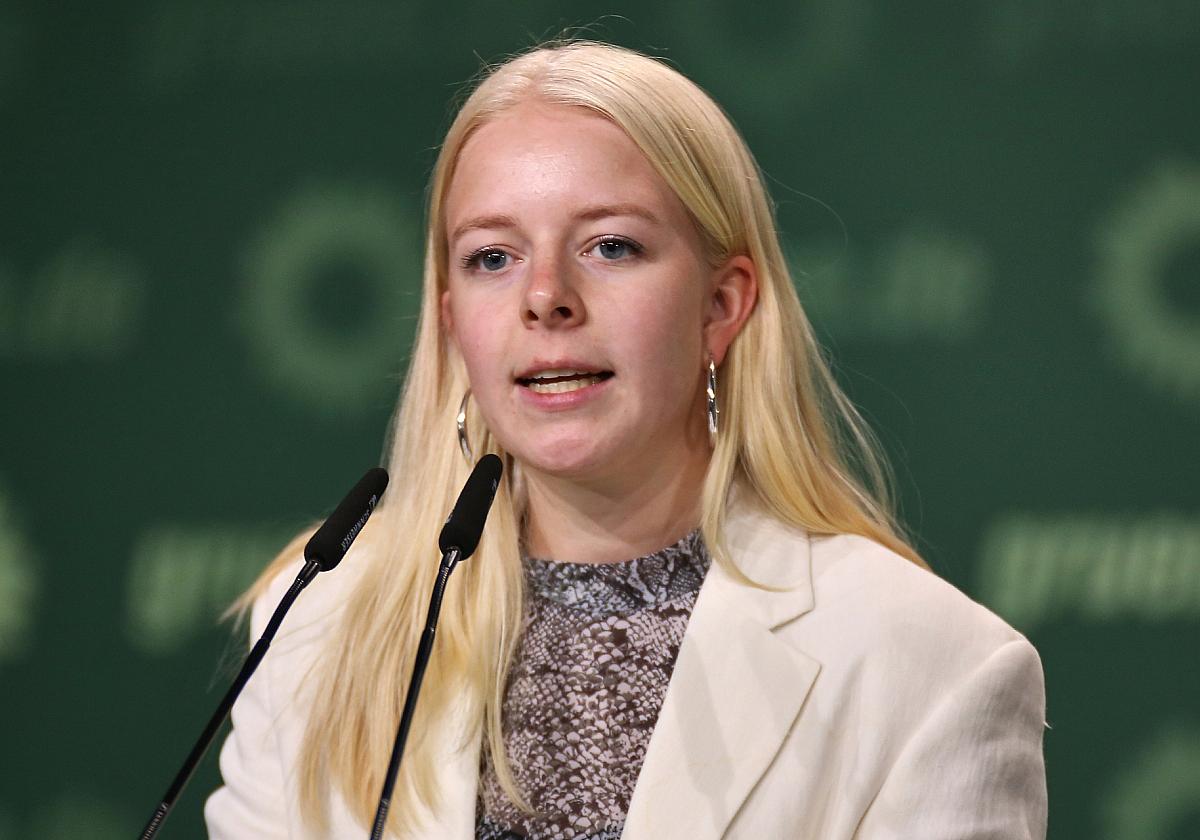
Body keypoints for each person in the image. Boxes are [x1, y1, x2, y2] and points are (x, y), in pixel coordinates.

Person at [205, 40, 1047, 839]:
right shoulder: (319, 623)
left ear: (721, 305)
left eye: (611, 246)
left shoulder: (932, 667)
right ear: (453, 319)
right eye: (493, 257)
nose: (545, 296)